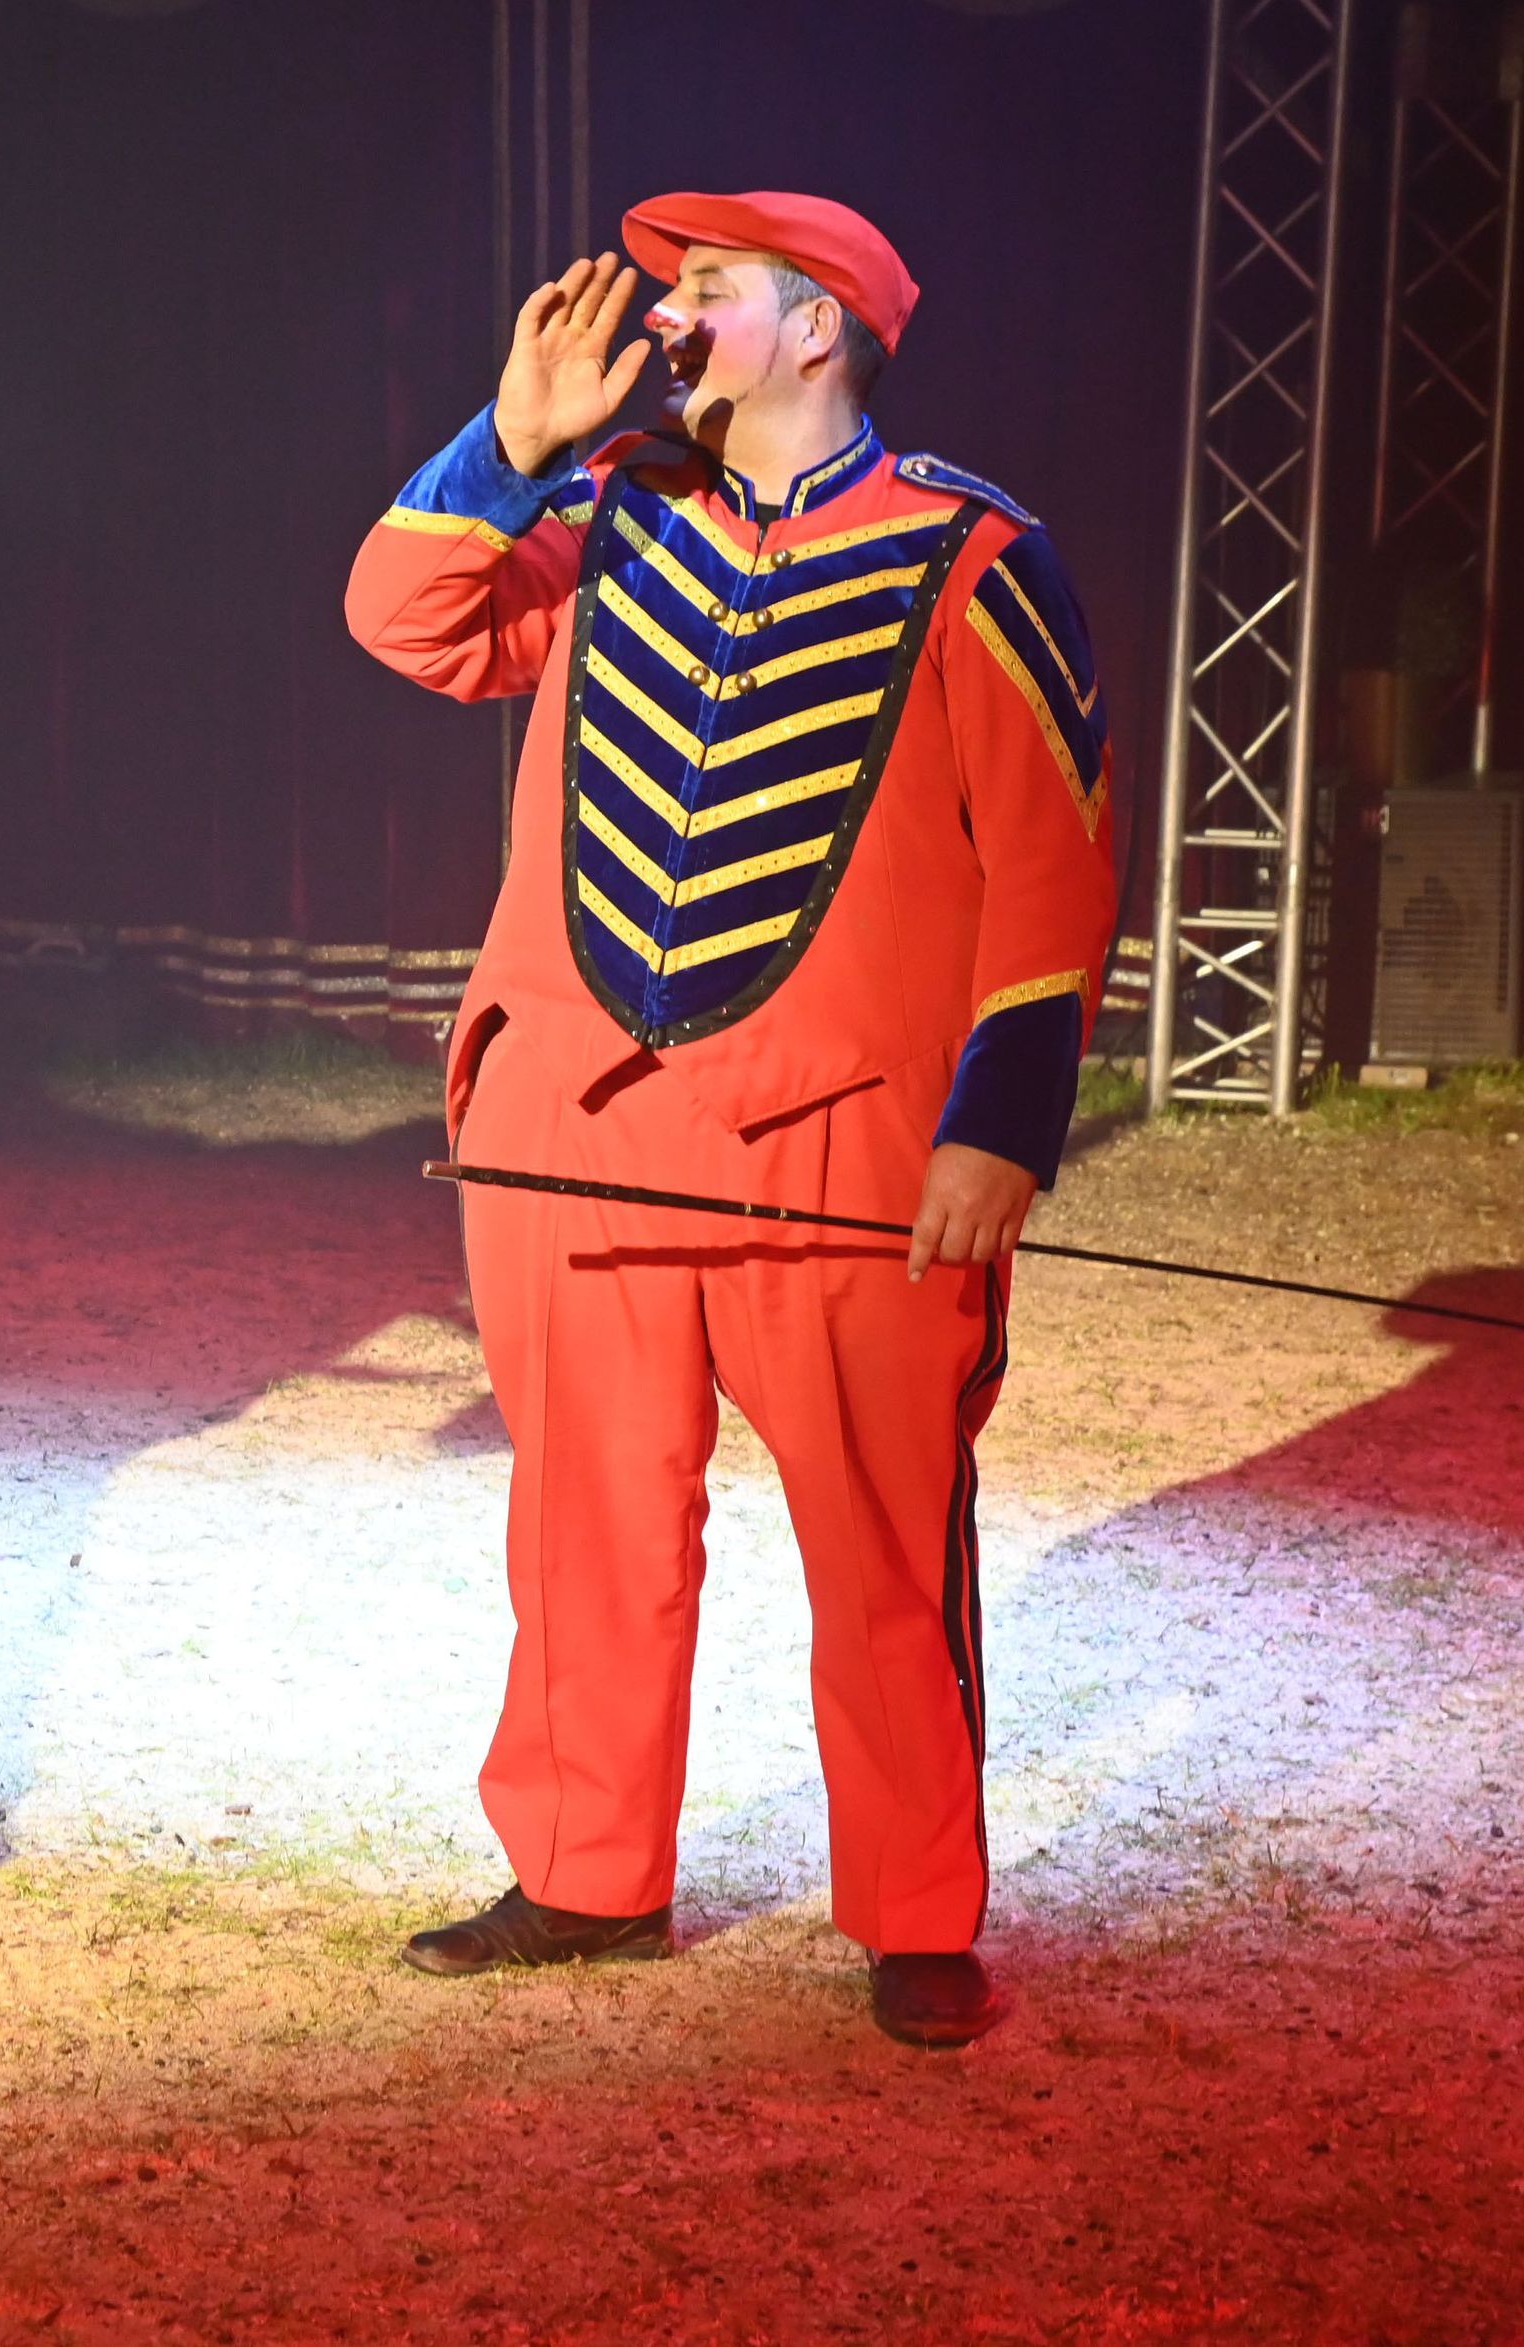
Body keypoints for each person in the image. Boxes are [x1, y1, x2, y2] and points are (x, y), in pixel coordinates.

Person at [344, 192, 1116, 2049]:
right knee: (587, 1522)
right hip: (575, 1133)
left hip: (839, 1152)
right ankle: (585, 1872)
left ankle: (920, 1905)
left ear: (823, 323)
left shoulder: (971, 551)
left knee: (878, 1535)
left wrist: (997, 1128)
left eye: (708, 292)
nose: (667, 320)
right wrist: (510, 444)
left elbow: (1052, 868)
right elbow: (403, 619)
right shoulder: (607, 517)